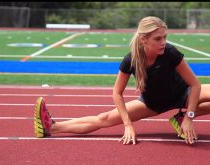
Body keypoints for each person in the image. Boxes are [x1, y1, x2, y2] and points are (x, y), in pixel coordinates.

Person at [34, 16, 210, 145]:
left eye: (165, 37)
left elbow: (194, 84)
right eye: (158, 38)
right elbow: (117, 93)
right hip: (152, 103)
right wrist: (128, 125)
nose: (163, 42)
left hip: (182, 94)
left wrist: (189, 117)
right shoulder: (130, 60)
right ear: (144, 39)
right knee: (104, 118)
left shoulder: (170, 52)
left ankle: (180, 119)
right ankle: (52, 127)